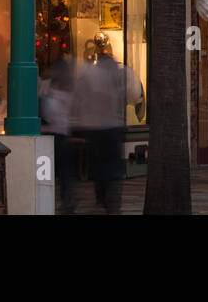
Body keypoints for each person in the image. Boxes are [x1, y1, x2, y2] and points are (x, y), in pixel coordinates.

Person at [72, 33, 143, 214]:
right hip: (113, 125)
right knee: (112, 165)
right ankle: (112, 202)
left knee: (99, 163)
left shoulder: (90, 73)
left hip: (95, 127)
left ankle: (102, 196)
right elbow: (134, 95)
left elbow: (79, 96)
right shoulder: (122, 72)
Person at [40, 55, 77, 214]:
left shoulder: (64, 89)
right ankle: (51, 198)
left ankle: (66, 199)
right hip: (52, 132)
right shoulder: (47, 85)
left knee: (60, 170)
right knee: (53, 169)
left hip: (58, 132)